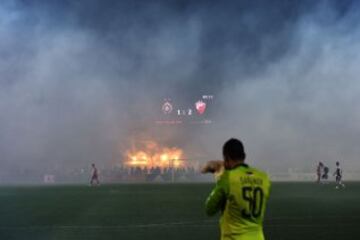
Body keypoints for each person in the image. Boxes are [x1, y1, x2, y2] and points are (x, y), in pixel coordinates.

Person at [203, 138, 271, 240]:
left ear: (226, 159)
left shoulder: (228, 178)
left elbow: (209, 209)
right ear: (244, 156)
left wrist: (219, 180)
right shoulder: (264, 178)